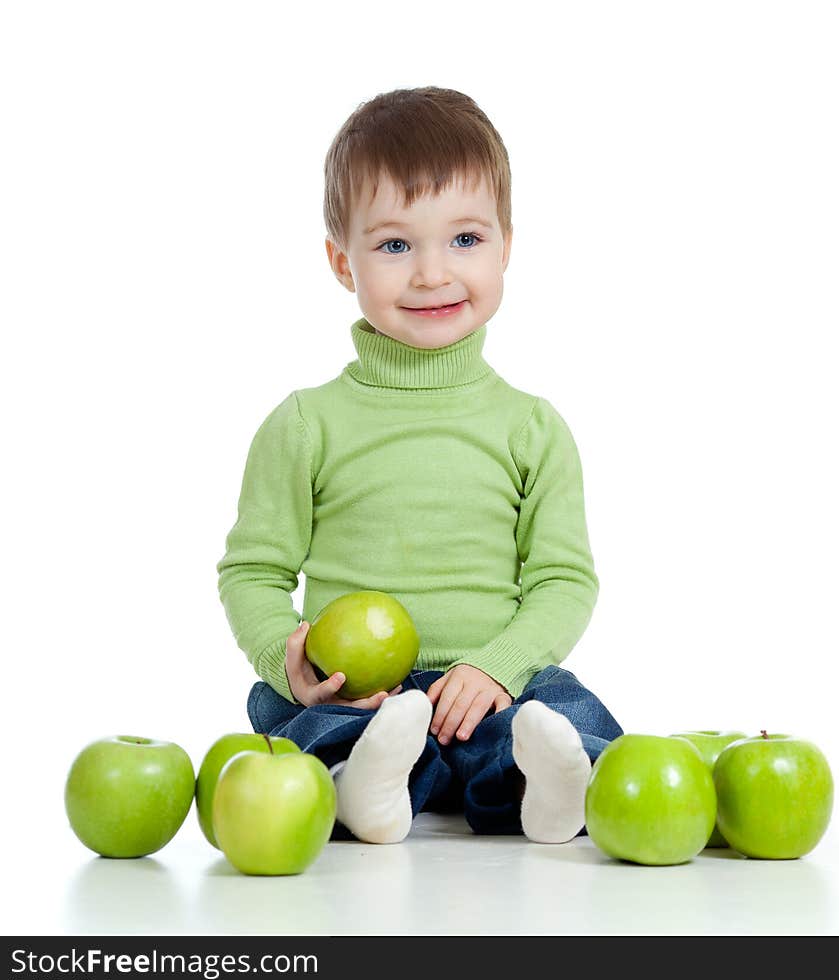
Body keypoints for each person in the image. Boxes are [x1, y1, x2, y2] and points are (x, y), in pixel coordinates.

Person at [217, 85, 623, 845]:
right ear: (343, 262)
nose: (433, 273)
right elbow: (253, 571)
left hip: (490, 684)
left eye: (465, 239)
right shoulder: (305, 423)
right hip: (359, 692)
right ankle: (361, 781)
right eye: (396, 245)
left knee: (561, 711)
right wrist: (288, 661)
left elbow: (563, 580)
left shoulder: (533, 428)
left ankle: (549, 788)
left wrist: (500, 668)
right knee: (292, 719)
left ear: (507, 244)